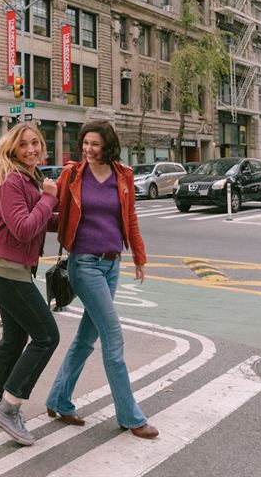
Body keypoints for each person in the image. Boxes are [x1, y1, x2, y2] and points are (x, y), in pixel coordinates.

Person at [45, 120, 159, 440]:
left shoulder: (123, 175)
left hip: (112, 264)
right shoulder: (73, 173)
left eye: (94, 144)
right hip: (84, 264)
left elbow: (130, 219)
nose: (88, 149)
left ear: (107, 146)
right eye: (85, 143)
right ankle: (130, 417)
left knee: (85, 339)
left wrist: (139, 258)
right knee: (113, 337)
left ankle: (58, 399)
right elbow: (53, 209)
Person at [0, 123, 60, 446]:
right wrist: (49, 199)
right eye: (24, 144)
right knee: (46, 336)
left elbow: (37, 220)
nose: (31, 149)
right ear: (13, 149)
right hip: (6, 272)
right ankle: (9, 408)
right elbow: (24, 229)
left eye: (36, 143)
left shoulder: (30, 179)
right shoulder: (14, 181)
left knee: (14, 337)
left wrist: (59, 208)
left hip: (8, 269)